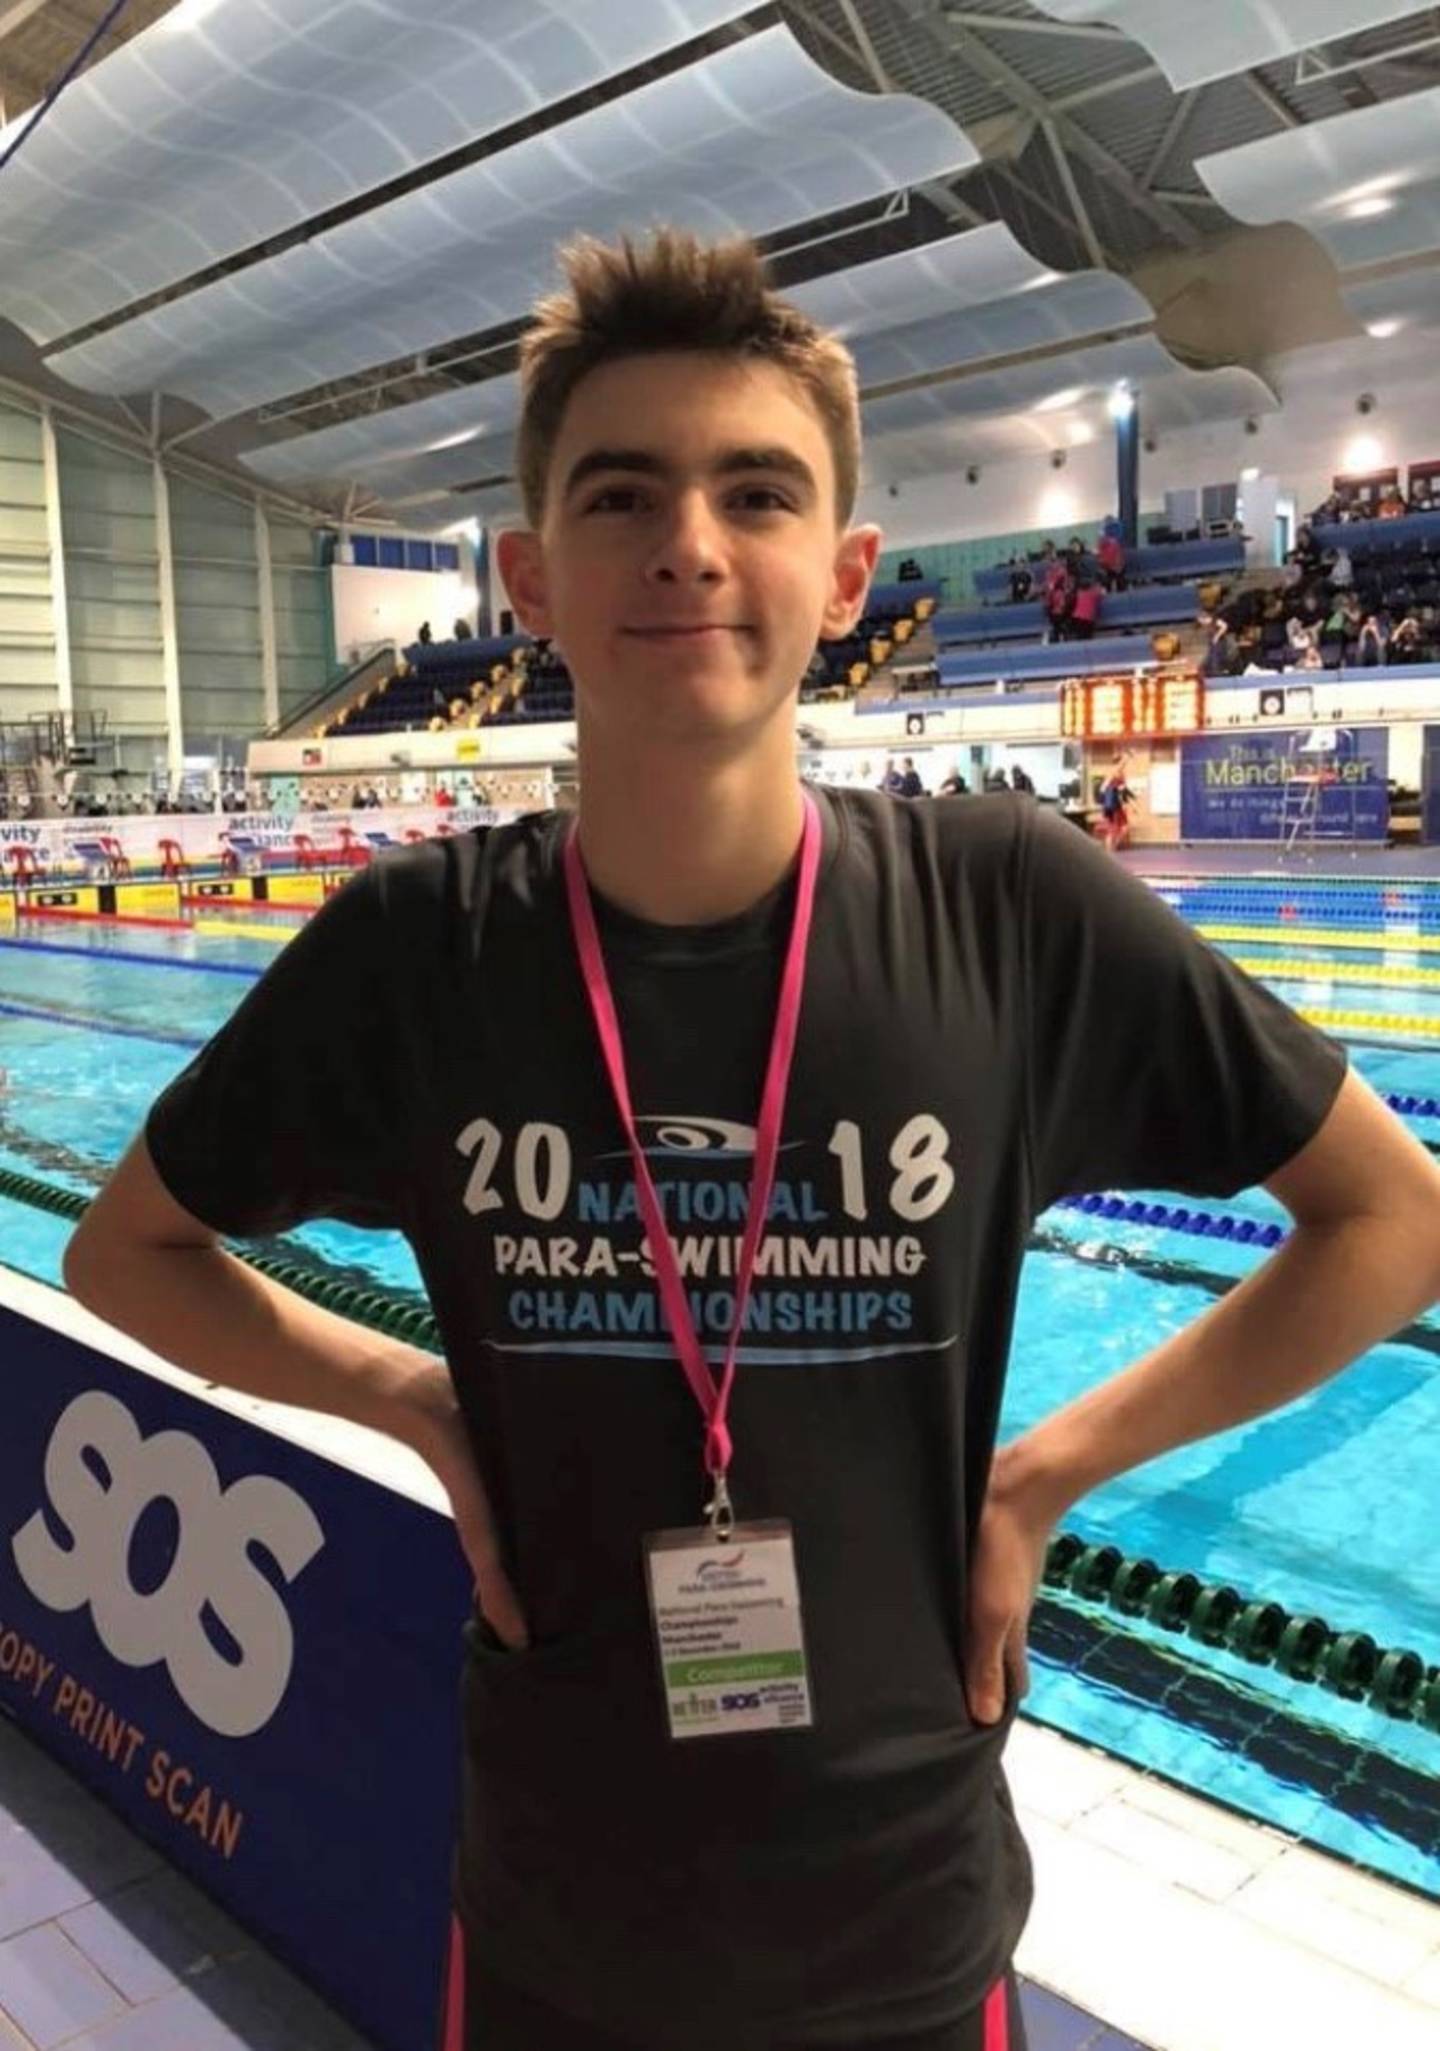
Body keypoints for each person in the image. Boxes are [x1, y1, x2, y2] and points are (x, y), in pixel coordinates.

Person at [61, 228, 1440, 2051]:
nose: (690, 543)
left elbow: (1387, 1219)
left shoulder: (1008, 910)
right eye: (624, 493)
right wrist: (402, 1396)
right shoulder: (417, 954)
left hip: (904, 1927)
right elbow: (123, 1249)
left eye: (756, 492)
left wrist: (1044, 1476)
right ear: (533, 580)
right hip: (559, 1916)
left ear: (847, 570)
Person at [1096, 758, 1134, 851]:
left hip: (1118, 806)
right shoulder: (1111, 775)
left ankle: (1113, 847)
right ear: (1116, 765)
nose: (1123, 766)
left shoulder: (1122, 776)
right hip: (1111, 806)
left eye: (1123, 764)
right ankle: (1109, 851)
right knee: (1112, 830)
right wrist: (1104, 803)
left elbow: (1123, 792)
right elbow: (1102, 789)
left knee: (1125, 828)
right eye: (1121, 764)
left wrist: (1131, 804)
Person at [1096, 528, 1126, 593]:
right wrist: (1102, 564)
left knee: (1119, 578)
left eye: (1102, 537)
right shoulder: (1100, 546)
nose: (1101, 539)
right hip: (1108, 568)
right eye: (1100, 538)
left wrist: (1117, 567)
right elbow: (1100, 559)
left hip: (1117, 567)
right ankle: (1108, 593)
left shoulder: (1114, 544)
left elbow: (1119, 557)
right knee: (1105, 577)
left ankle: (1122, 594)